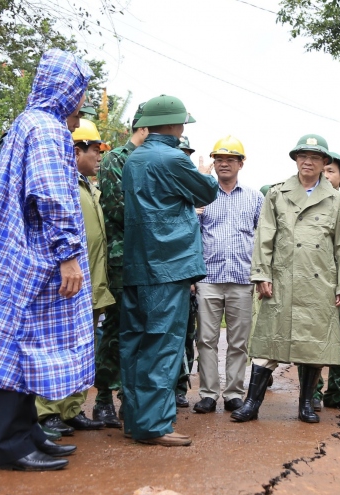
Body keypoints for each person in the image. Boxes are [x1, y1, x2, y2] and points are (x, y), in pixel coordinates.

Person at [0, 49, 93, 471]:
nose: (80, 99)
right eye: (78, 89)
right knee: (22, 345)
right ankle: (11, 445)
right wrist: (68, 255)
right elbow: (49, 194)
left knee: (29, 345)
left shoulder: (28, 122)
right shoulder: (47, 129)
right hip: (39, 255)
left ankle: (29, 433)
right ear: (66, 89)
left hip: (21, 249)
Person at [232, 134, 340, 425]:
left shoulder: (336, 200)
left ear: (325, 162)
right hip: (282, 279)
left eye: (314, 157)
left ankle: (306, 405)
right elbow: (264, 236)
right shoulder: (277, 193)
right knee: (269, 342)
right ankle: (252, 403)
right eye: (302, 156)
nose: (307, 162)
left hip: (319, 281)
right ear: (296, 160)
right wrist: (262, 273)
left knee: (312, 345)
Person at [119, 94, 218, 447]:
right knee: (163, 345)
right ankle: (156, 425)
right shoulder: (174, 158)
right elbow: (207, 192)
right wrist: (204, 171)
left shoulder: (134, 158)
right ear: (176, 124)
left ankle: (133, 420)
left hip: (136, 263)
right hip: (168, 265)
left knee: (134, 342)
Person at [35, 119, 116, 434]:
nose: (99, 156)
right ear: (75, 150)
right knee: (57, 347)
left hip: (92, 285)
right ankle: (46, 412)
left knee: (82, 349)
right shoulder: (61, 183)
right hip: (66, 285)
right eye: (95, 150)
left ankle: (71, 409)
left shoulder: (88, 186)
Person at [192, 136, 263, 415]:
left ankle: (234, 393)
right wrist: (192, 277)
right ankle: (208, 393)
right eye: (219, 159)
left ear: (241, 164)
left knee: (238, 342)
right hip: (208, 278)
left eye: (230, 159)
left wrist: (261, 274)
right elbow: (192, 235)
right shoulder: (202, 195)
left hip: (242, 279)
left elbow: (263, 237)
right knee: (206, 340)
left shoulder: (255, 197)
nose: (224, 163)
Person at [296, 150, 340, 413]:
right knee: (310, 340)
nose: (325, 174)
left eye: (331, 171)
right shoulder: (305, 203)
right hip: (313, 285)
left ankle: (338, 392)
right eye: (323, 170)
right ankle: (310, 393)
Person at [95, 102, 148, 428]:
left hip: (149, 263)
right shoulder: (117, 159)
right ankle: (102, 398)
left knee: (141, 333)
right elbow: (118, 208)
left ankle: (130, 398)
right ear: (142, 128)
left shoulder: (155, 162)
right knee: (115, 331)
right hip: (121, 261)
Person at [176, 134, 200, 409]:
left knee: (187, 337)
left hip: (190, 276)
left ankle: (181, 387)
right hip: (167, 273)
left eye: (187, 153)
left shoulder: (194, 190)